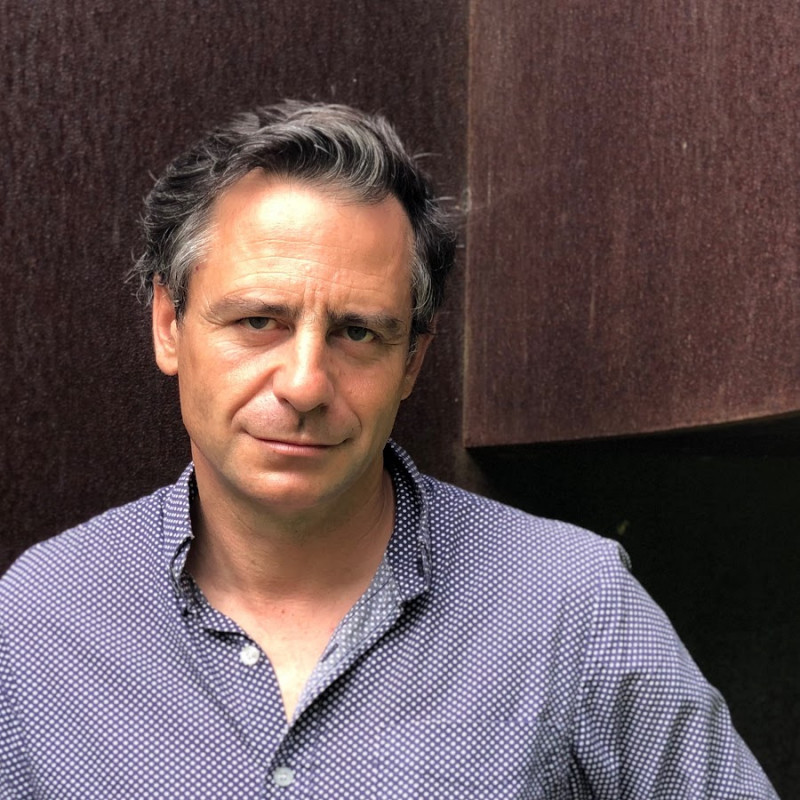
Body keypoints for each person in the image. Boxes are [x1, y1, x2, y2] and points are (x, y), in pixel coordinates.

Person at [0, 101, 778, 799]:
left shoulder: (571, 603)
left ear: (411, 360)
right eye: (259, 321)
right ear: (169, 325)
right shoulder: (41, 617)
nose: (305, 383)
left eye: (357, 332)